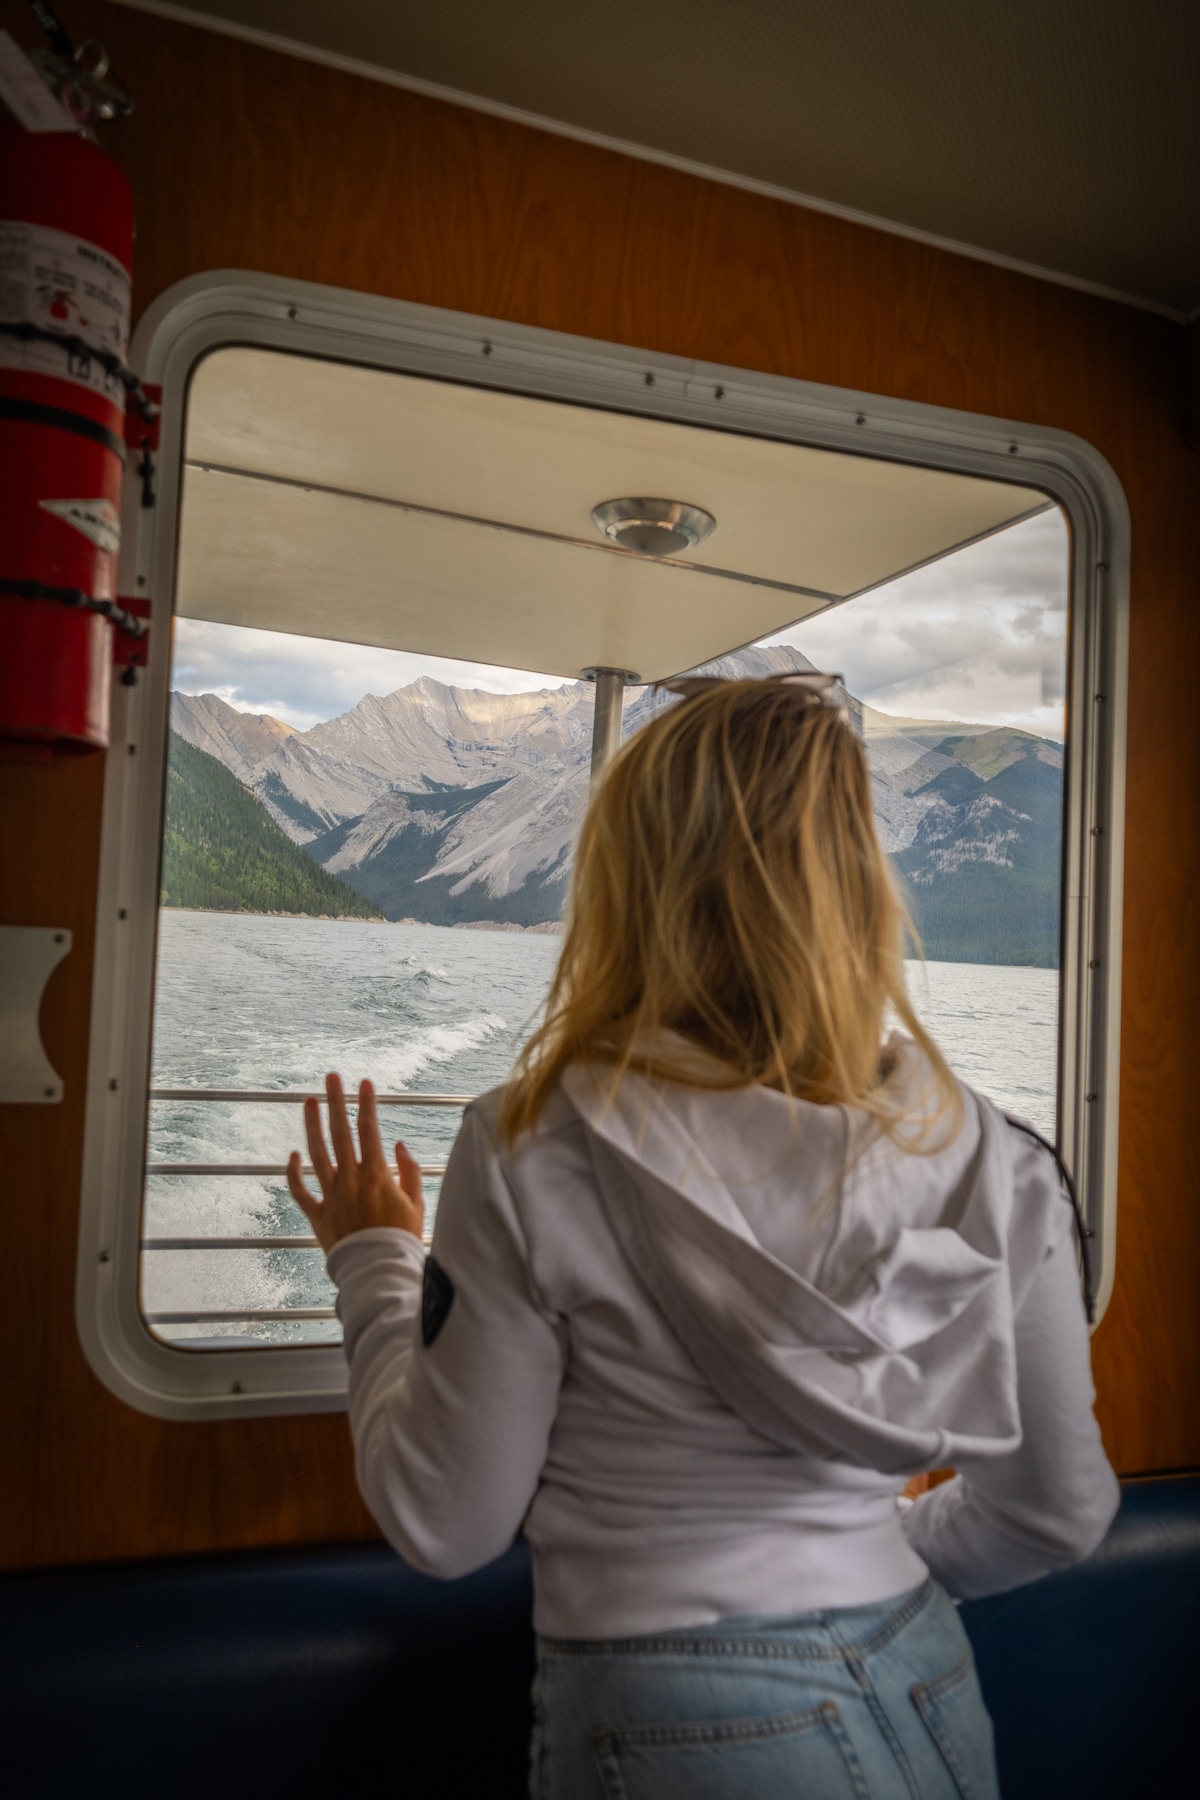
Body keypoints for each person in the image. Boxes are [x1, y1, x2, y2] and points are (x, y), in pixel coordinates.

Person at [288, 674, 1118, 1800]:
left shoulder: (536, 1144)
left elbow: (445, 1523)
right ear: (863, 890)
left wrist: (373, 1261)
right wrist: (862, 1567)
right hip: (928, 1697)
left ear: (626, 891)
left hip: (670, 1727)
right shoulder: (1000, 1161)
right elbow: (1057, 1512)